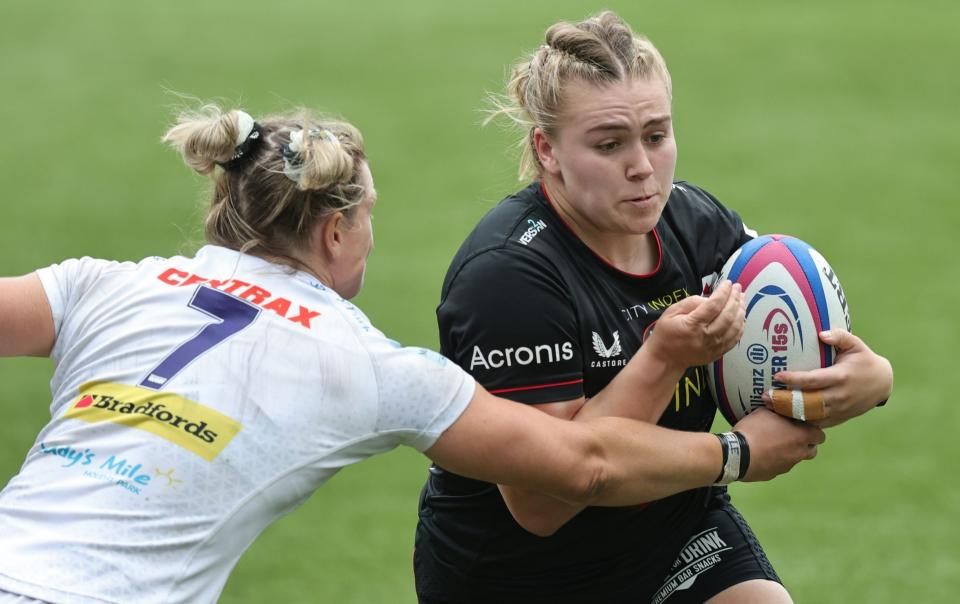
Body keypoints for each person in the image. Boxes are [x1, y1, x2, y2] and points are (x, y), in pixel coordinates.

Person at [0, 104, 824, 604]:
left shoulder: (97, 285)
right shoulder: (367, 364)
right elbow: (578, 468)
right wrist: (738, 450)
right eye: (368, 217)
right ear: (334, 230)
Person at [413, 11, 894, 604]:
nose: (642, 167)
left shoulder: (695, 224)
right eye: (609, 144)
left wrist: (867, 378)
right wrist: (674, 371)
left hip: (671, 529)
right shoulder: (508, 277)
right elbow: (543, 501)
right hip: (520, 575)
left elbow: (786, 320)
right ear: (548, 149)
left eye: (656, 135)